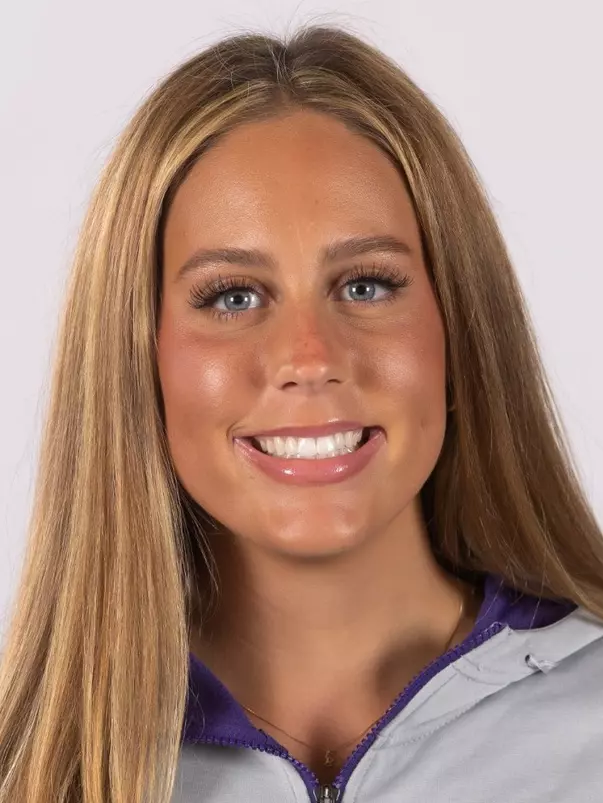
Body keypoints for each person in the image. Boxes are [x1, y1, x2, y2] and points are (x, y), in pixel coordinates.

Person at [0, 22, 602, 803]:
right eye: (232, 296)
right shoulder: (34, 767)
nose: (310, 357)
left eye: (365, 284)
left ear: (459, 320)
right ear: (136, 356)